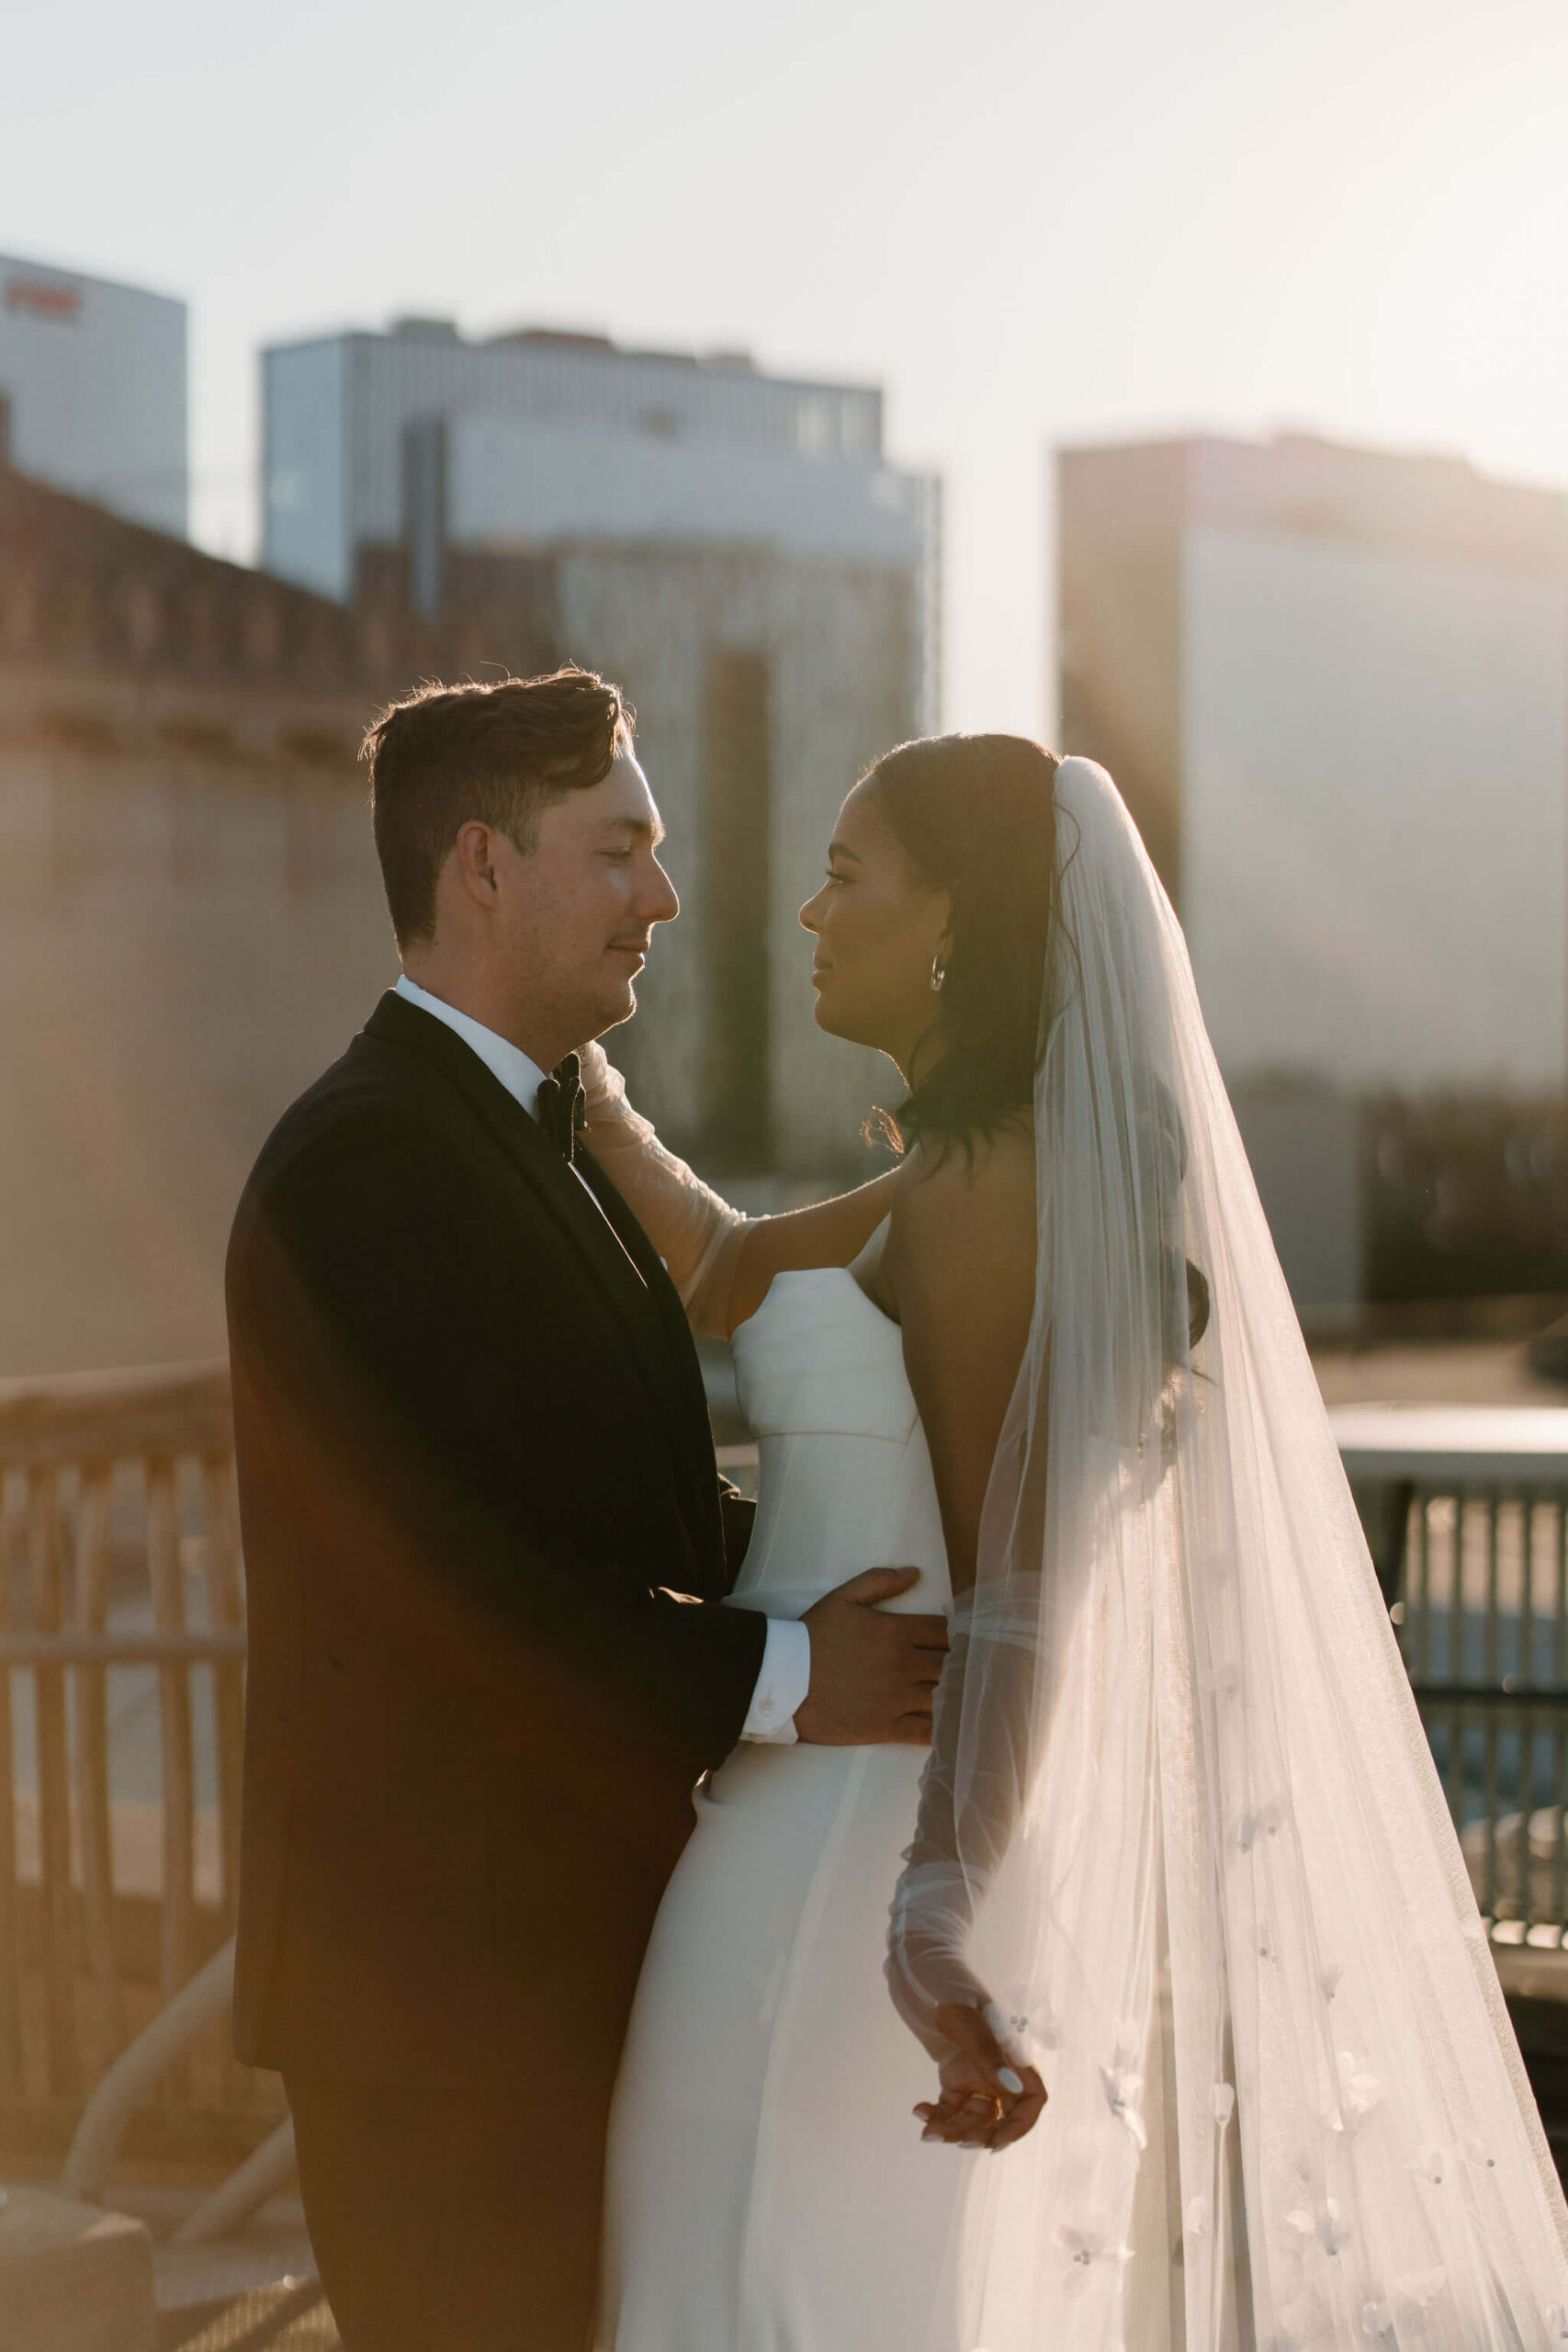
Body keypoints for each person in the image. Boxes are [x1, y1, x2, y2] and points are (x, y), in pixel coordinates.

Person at [589, 735, 1568, 2347]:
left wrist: (930, 1918)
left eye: (851, 877)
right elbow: (729, 1269)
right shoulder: (956, 1177)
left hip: (846, 1859)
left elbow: (1019, 1597)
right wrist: (583, 1076)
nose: (814, 916)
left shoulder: (989, 1188)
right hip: (795, 1823)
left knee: (761, 2284)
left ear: (959, 921)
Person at [224, 668, 948, 2352]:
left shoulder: (523, 1139)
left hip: (553, 1973)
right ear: (482, 866)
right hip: (440, 2010)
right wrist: (782, 1676)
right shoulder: (368, 1163)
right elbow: (443, 1585)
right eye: (621, 849)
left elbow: (611, 1497)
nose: (665, 898)